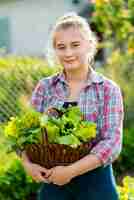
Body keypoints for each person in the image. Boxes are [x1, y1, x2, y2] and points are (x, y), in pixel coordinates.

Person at [21, 13, 124, 200]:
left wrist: (71, 171)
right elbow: (26, 133)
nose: (68, 53)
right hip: (53, 184)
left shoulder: (108, 89)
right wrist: (28, 164)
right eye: (61, 47)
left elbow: (112, 143)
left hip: (96, 184)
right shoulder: (45, 87)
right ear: (55, 50)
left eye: (75, 45)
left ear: (90, 45)